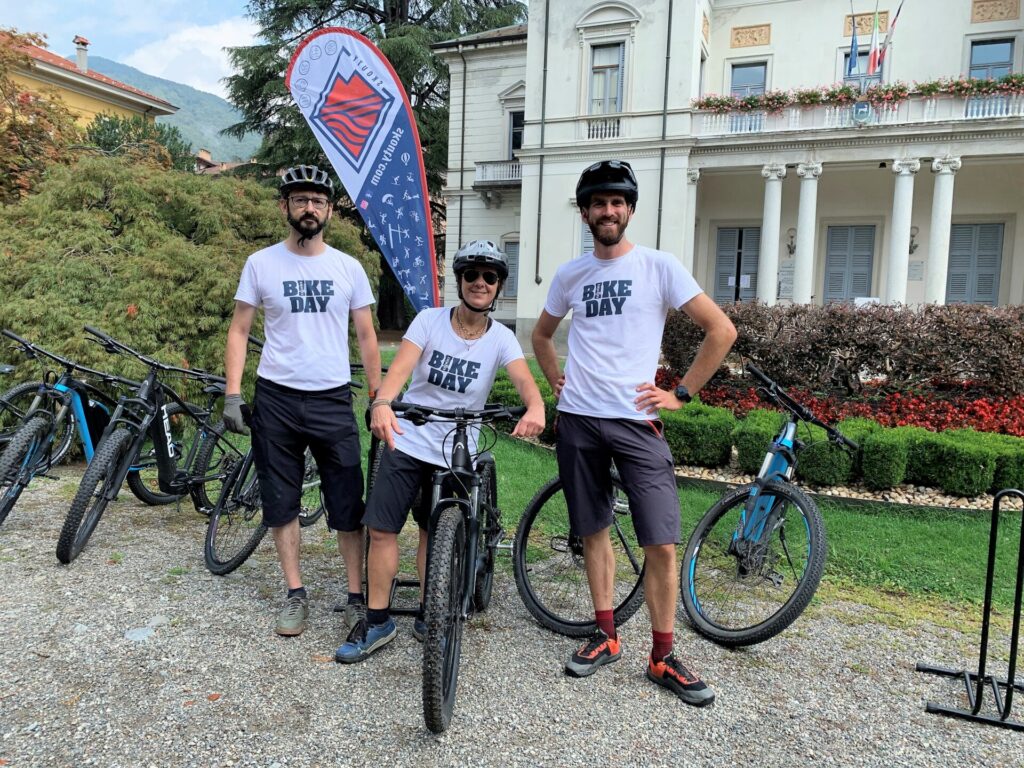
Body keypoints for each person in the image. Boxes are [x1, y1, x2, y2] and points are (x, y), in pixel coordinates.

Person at [531, 160, 737, 706]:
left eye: (616, 202)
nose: (607, 210)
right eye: (597, 203)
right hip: (578, 419)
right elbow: (542, 335)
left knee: (660, 542)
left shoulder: (658, 267)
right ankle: (606, 634)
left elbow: (721, 330)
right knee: (593, 530)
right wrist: (555, 379)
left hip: (637, 423)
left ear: (629, 210)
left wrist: (680, 393)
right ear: (584, 213)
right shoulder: (570, 275)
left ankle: (663, 655)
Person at [335, 239, 545, 663]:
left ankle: (431, 611)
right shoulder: (430, 321)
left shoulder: (501, 338)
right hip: (411, 436)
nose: (480, 283)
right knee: (382, 529)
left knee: (436, 531)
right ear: (460, 281)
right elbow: (400, 371)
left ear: (499, 286)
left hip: (459, 446)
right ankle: (378, 620)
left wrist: (537, 406)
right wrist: (381, 402)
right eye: (471, 275)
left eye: (489, 277)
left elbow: (524, 382)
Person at [222, 164, 382, 637]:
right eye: (300, 199)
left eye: (317, 200)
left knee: (348, 505)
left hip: (332, 398)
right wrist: (234, 392)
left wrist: (378, 398)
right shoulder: (261, 263)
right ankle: (295, 593)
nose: (308, 208)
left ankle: (356, 595)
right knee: (280, 501)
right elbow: (240, 328)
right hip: (276, 399)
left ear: (329, 210)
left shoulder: (347, 267)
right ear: (285, 207)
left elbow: (368, 337)